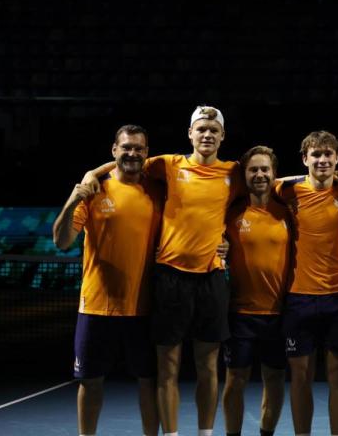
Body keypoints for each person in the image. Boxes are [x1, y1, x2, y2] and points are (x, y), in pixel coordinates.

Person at [84, 105, 241, 436]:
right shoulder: (168, 165)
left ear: (223, 135)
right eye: (201, 129)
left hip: (212, 278)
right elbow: (126, 162)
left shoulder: (234, 173)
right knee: (166, 366)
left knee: (208, 366)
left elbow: (269, 177)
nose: (207, 134)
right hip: (170, 278)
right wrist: (90, 175)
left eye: (214, 130)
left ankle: (205, 433)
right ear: (190, 134)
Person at [53, 125, 161, 436]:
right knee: (90, 381)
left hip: (143, 308)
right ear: (114, 151)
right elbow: (62, 241)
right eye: (126, 147)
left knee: (148, 381)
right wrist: (75, 198)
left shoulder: (157, 190)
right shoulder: (95, 191)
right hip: (97, 306)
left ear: (147, 152)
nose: (132, 153)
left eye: (139, 148)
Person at [278, 131, 338, 436]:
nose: (322, 160)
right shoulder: (287, 190)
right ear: (305, 159)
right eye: (316, 155)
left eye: (328, 154)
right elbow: (256, 179)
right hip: (299, 297)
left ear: (337, 158)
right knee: (300, 376)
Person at [221, 146, 291, 436]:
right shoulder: (230, 213)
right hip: (240, 314)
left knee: (274, 379)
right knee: (235, 380)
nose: (260, 174)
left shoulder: (288, 211)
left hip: (280, 313)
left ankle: (266, 433)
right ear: (245, 175)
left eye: (265, 169)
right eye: (253, 169)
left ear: (274, 175)